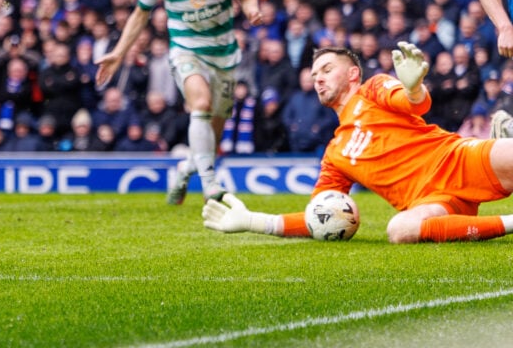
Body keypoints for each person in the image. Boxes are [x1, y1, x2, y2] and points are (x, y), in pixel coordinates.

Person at [203, 42, 513, 244]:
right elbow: (317, 216)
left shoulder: (373, 89)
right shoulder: (335, 153)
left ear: (353, 73)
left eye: (327, 70)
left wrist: (414, 88)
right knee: (399, 230)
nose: (318, 78)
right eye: (314, 75)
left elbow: (417, 104)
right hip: (431, 202)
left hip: (458, 158)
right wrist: (255, 221)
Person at [96, 0, 262, 204]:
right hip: (186, 50)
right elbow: (140, 14)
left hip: (224, 55)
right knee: (201, 104)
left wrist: (252, 10)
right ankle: (210, 185)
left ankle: (186, 168)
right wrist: (118, 53)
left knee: (212, 133)